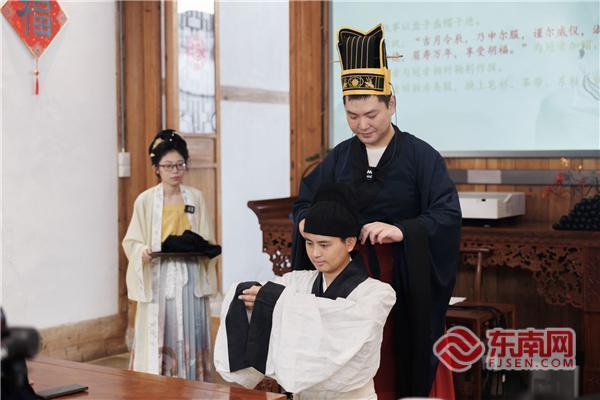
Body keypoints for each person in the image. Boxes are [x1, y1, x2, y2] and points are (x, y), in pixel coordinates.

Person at [291, 24, 462, 399]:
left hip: (401, 275)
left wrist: (403, 230)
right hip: (347, 280)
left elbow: (447, 215)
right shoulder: (340, 156)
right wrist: (306, 223)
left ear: (392, 104)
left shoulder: (421, 156)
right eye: (352, 116)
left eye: (371, 114)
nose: (362, 125)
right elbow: (305, 202)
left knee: (399, 360)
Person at [214, 183, 396, 400]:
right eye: (309, 243)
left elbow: (339, 318)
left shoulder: (378, 294)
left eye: (324, 245)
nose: (315, 253)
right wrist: (254, 296)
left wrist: (277, 302)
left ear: (349, 243)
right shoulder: (296, 283)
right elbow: (262, 295)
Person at [123, 129, 218, 380]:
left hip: (190, 274)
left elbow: (207, 237)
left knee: (190, 326)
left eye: (179, 165)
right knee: (162, 328)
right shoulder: (145, 200)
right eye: (168, 166)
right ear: (157, 168)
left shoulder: (195, 197)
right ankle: (159, 382)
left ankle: (192, 381)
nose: (175, 171)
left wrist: (204, 248)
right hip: (159, 275)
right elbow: (132, 240)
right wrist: (141, 251)